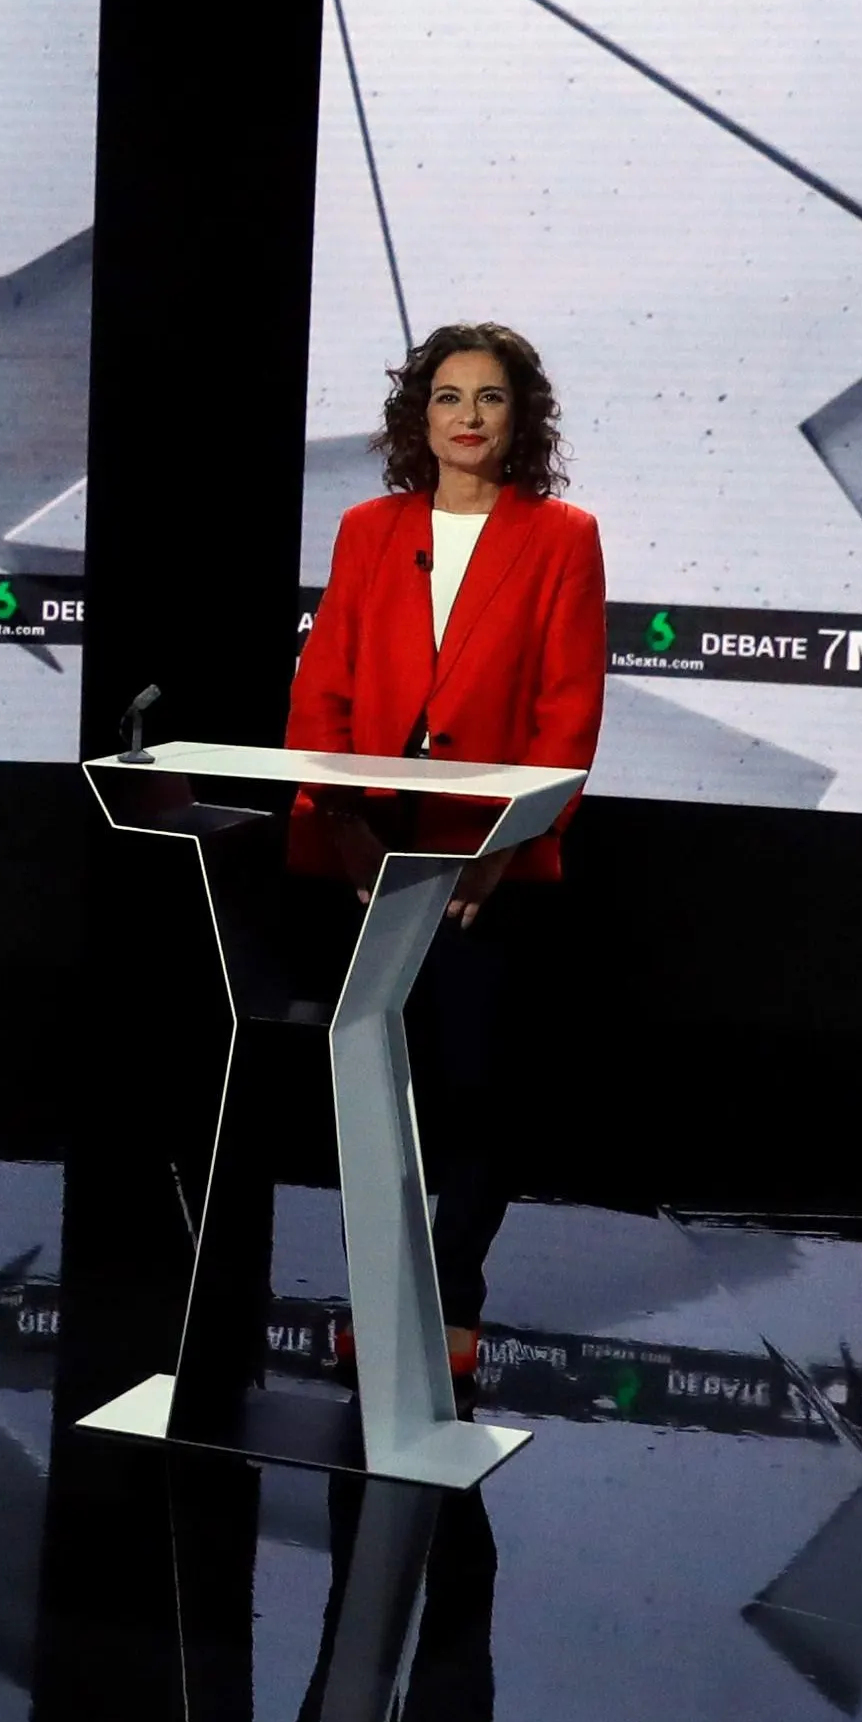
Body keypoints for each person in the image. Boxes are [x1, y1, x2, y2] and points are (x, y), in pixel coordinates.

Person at [283, 323, 607, 1386]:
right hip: (365, 849)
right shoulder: (368, 531)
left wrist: (503, 854)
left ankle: (453, 1298)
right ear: (417, 417)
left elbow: (567, 714)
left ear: (523, 420)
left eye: (492, 399)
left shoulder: (562, 537)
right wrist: (342, 826)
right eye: (448, 397)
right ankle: (376, 1298)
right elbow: (322, 687)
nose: (468, 417)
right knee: (377, 1087)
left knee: (475, 1089)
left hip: (486, 864)